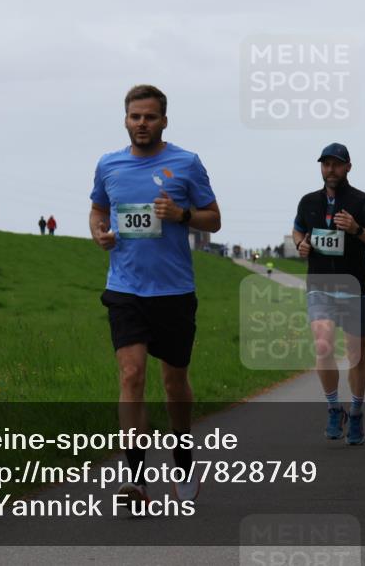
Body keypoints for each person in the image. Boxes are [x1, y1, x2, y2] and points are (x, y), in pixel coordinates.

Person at [89, 84, 221, 505]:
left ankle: (182, 457)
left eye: (149, 117)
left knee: (174, 379)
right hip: (125, 288)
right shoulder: (108, 166)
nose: (141, 124)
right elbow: (98, 210)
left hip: (174, 291)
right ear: (125, 119)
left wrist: (182, 214)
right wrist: (99, 233)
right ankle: (134, 477)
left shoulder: (186, 163)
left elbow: (214, 219)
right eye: (134, 117)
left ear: (163, 120)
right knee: (131, 375)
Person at [292, 143, 365, 446]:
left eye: (336, 164)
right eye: (325, 164)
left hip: (353, 286)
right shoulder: (309, 201)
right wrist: (300, 245)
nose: (330, 170)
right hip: (319, 285)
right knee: (323, 346)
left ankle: (357, 412)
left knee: (355, 354)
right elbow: (298, 230)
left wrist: (358, 230)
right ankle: (334, 408)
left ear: (348, 167)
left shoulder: (363, 202)